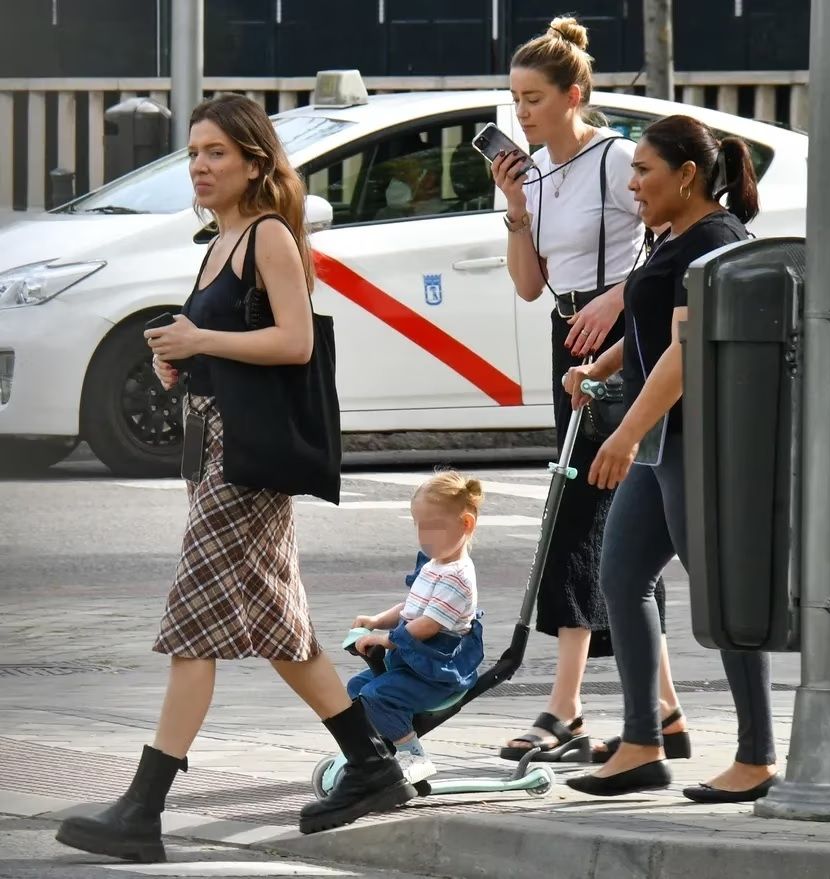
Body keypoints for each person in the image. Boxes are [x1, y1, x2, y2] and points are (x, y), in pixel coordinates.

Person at [55, 94, 417, 863]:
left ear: (254, 163)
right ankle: (372, 764)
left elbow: (294, 342)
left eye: (216, 152)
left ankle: (142, 808)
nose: (200, 166)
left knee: (193, 623)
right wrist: (180, 358)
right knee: (281, 627)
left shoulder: (268, 236)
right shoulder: (218, 241)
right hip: (216, 443)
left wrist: (202, 339)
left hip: (244, 459)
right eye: (193, 152)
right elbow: (228, 340)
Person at [563, 114, 778, 800]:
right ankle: (641, 744)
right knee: (621, 577)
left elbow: (684, 353)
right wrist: (599, 367)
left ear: (686, 175)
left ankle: (756, 757)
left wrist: (624, 433)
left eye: (643, 170)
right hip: (665, 442)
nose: (632, 184)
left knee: (722, 592)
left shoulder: (713, 243)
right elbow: (649, 324)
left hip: (698, 442)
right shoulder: (676, 237)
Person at [491, 15, 687, 763]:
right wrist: (515, 208)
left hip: (620, 338)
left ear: (573, 95)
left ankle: (565, 704)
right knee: (610, 518)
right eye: (515, 99)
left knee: (580, 512)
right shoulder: (536, 172)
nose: (522, 114)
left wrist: (618, 298)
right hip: (566, 336)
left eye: (534, 98)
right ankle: (662, 709)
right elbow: (527, 284)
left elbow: (669, 241)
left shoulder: (613, 159)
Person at [347, 471, 485, 784]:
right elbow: (411, 608)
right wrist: (377, 620)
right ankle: (376, 755)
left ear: (466, 524)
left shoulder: (457, 577)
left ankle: (413, 756)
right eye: (418, 525)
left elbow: (427, 625)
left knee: (377, 696)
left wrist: (386, 639)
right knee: (355, 690)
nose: (424, 535)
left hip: (437, 673)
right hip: (412, 666)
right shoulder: (434, 564)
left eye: (432, 527)